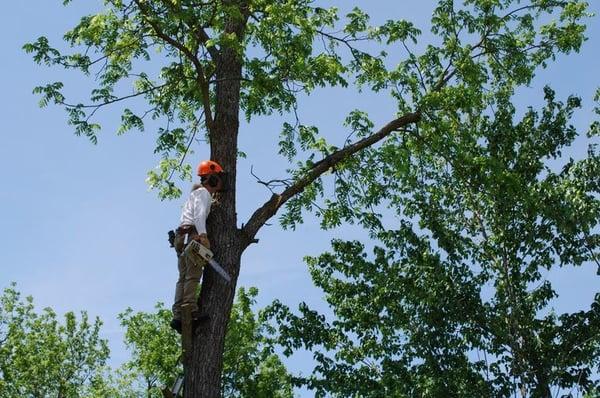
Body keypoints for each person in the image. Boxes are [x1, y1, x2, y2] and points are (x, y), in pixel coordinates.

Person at [170, 159, 224, 333]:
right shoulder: (203, 194)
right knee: (193, 276)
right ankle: (190, 311)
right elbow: (200, 216)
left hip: (183, 240)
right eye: (218, 177)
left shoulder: (194, 195)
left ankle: (178, 314)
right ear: (212, 178)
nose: (220, 181)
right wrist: (203, 236)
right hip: (193, 238)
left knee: (183, 278)